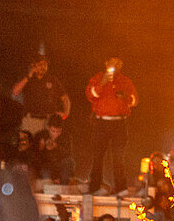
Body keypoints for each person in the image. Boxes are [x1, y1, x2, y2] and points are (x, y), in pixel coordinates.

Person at [86, 57, 138, 195]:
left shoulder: (125, 81)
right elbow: (91, 95)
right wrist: (102, 83)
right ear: (106, 63)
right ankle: (94, 187)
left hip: (119, 122)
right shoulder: (97, 78)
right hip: (102, 122)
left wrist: (126, 96)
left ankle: (121, 188)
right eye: (112, 62)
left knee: (118, 157)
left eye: (118, 63)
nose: (115, 65)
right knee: (98, 156)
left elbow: (134, 100)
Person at [11, 54, 70, 137]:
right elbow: (15, 91)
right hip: (30, 120)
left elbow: (65, 98)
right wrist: (29, 75)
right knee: (27, 145)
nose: (43, 67)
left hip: (48, 120)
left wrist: (66, 113)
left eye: (45, 64)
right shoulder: (27, 79)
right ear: (33, 65)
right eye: (40, 64)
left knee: (44, 146)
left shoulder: (52, 80)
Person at [33, 115, 75, 188]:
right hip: (45, 165)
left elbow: (68, 154)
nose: (55, 134)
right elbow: (34, 155)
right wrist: (41, 147)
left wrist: (57, 147)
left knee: (69, 161)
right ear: (48, 128)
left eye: (58, 131)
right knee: (45, 175)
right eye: (53, 131)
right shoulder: (40, 135)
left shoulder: (65, 136)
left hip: (59, 165)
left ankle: (63, 187)